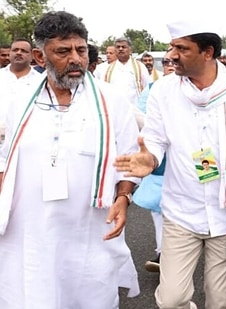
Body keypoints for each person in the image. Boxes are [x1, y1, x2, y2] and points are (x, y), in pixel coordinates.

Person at [114, 18, 226, 309]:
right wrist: (149, 159)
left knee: (220, 300)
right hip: (181, 210)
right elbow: (154, 139)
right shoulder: (164, 90)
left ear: (207, 52)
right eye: (172, 47)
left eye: (181, 48)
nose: (172, 55)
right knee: (172, 300)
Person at [0, 11, 141, 308]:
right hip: (32, 230)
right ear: (40, 56)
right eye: (63, 51)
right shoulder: (20, 102)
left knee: (91, 293)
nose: (76, 59)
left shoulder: (111, 100)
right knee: (34, 293)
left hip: (89, 229)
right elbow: (6, 159)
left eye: (80, 49)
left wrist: (124, 198)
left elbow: (130, 159)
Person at [134, 54, 176, 273]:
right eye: (166, 62)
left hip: (191, 160)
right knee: (158, 207)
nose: (170, 65)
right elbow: (142, 117)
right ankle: (163, 253)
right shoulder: (152, 89)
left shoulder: (194, 88)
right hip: (158, 160)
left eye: (173, 61)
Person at [94, 37, 150, 106]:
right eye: (118, 47)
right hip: (115, 109)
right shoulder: (108, 70)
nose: (120, 49)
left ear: (130, 50)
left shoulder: (140, 67)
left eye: (123, 47)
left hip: (136, 110)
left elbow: (147, 89)